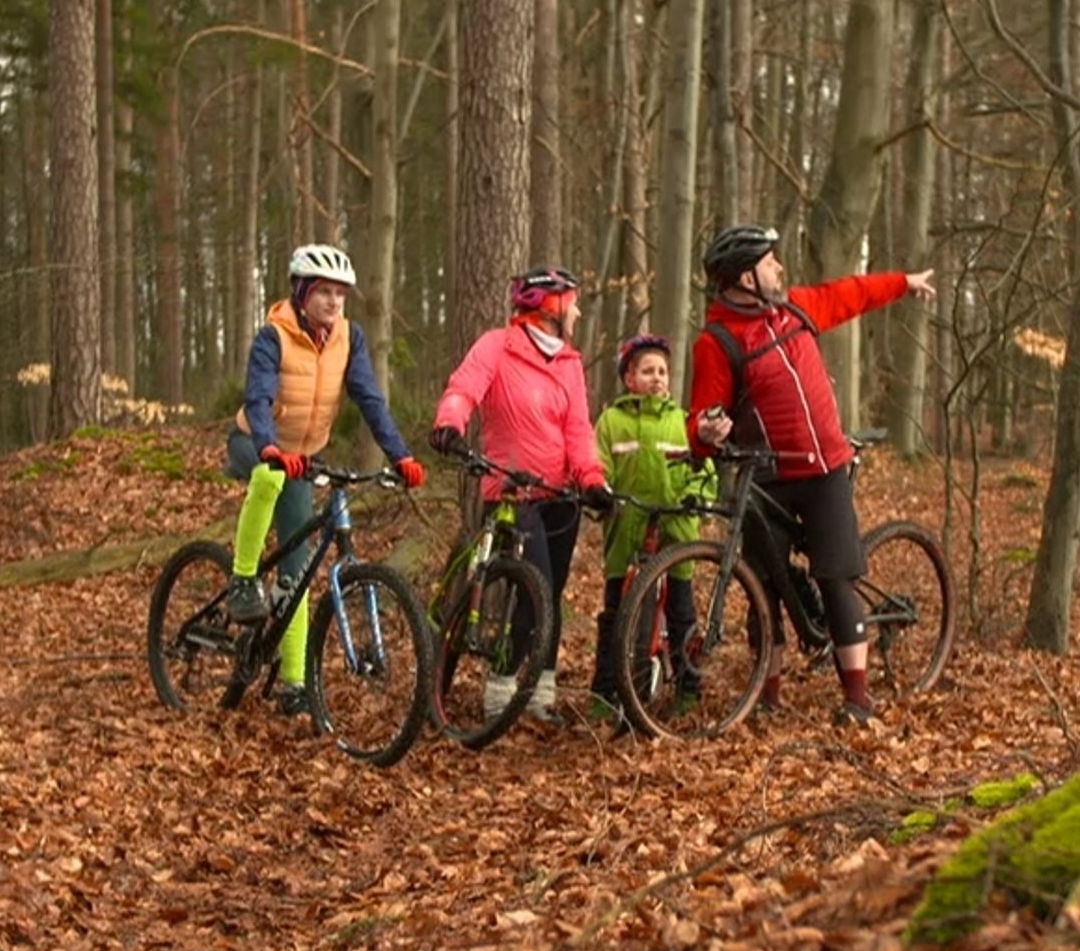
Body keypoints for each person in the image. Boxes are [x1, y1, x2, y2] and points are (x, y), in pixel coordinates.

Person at [685, 224, 935, 726]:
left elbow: (848, 294)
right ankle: (767, 700)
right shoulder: (717, 342)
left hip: (825, 470)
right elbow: (700, 416)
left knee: (835, 576)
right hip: (767, 479)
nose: (780, 268)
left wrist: (903, 282)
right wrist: (707, 431)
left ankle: (858, 701)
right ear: (746, 278)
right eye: (770, 262)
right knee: (763, 588)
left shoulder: (795, 310)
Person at [225, 243, 426, 710]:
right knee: (269, 478)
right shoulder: (272, 336)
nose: (334, 302)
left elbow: (369, 399)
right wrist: (270, 446)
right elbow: (258, 397)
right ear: (301, 293)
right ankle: (241, 578)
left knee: (296, 575)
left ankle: (295, 684)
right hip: (255, 443)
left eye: (340, 294)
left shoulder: (348, 339)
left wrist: (400, 455)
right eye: (324, 293)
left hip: (302, 455)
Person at [429, 267, 615, 724]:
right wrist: (449, 424)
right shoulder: (498, 345)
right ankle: (501, 688)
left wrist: (591, 478)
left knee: (553, 591)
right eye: (572, 302)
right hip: (512, 491)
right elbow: (464, 388)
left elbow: (577, 429)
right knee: (536, 589)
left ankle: (540, 695)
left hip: (561, 492)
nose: (577, 311)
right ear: (550, 306)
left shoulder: (569, 362)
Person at [585, 334, 716, 721]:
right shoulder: (612, 421)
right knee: (615, 614)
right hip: (627, 528)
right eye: (647, 371)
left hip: (677, 530)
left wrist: (697, 495)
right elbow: (598, 463)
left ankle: (688, 689)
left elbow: (703, 466)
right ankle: (605, 692)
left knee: (681, 612)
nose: (657, 378)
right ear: (629, 378)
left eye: (662, 371)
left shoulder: (683, 420)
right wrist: (600, 492)